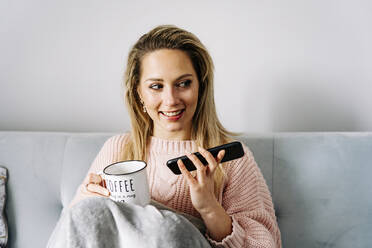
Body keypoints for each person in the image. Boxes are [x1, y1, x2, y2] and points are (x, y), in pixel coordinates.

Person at [68, 25, 281, 247]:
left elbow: (265, 244)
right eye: (156, 86)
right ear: (138, 92)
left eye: (183, 83)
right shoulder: (118, 148)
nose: (171, 100)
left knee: (166, 230)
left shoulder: (231, 158)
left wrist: (209, 208)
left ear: (201, 86)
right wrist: (88, 198)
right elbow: (73, 231)